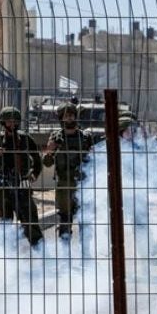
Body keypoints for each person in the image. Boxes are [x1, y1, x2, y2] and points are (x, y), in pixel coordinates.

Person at [0, 106, 44, 246]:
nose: (12, 124)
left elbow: (37, 160)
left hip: (22, 186)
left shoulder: (25, 139)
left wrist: (33, 175)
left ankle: (41, 252)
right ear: (3, 122)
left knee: (30, 222)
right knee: (5, 225)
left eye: (15, 121)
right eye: (9, 121)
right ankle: (6, 253)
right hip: (3, 187)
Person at [42, 102, 94, 239]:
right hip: (64, 184)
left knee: (85, 219)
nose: (69, 118)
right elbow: (47, 163)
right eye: (66, 116)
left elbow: (95, 161)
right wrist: (50, 150)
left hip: (82, 184)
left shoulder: (85, 137)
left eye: (71, 115)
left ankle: (86, 248)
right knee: (65, 218)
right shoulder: (56, 137)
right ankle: (65, 248)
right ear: (61, 118)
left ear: (75, 117)